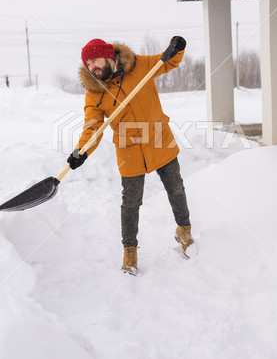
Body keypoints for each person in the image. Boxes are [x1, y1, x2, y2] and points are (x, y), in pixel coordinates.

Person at [67, 37, 194, 275]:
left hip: (158, 138)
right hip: (129, 148)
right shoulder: (95, 93)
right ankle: (130, 253)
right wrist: (81, 151)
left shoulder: (139, 65)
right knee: (131, 203)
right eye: (88, 64)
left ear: (108, 56)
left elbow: (167, 62)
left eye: (95, 61)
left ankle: (184, 230)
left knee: (176, 187)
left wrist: (177, 47)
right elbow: (92, 126)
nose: (92, 67)